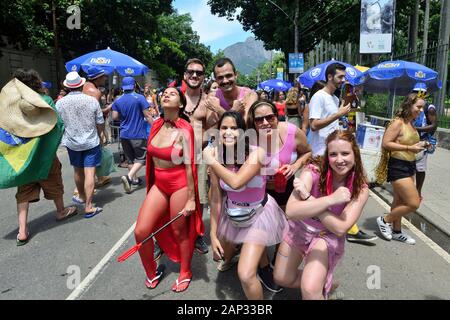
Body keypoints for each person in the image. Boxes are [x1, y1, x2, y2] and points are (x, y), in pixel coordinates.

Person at [274, 130, 369, 299]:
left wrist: (308, 198)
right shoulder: (314, 170)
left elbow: (340, 228)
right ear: (327, 155)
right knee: (281, 278)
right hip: (298, 229)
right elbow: (291, 211)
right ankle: (325, 284)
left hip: (325, 236)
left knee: (310, 290)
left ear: (355, 154)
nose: (339, 160)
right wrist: (330, 200)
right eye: (333, 154)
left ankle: (316, 287)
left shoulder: (359, 188)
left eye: (345, 153)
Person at [203, 111, 287, 300]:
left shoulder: (257, 153)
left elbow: (236, 182)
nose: (229, 132)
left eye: (234, 128)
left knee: (246, 274)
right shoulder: (219, 155)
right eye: (224, 128)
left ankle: (263, 271)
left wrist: (211, 161)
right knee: (223, 256)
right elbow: (216, 197)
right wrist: (213, 234)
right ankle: (259, 262)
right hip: (233, 214)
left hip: (259, 215)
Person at [134, 87, 203, 292]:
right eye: (164, 93)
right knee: (141, 231)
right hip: (160, 184)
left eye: (172, 94)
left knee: (179, 230)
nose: (166, 94)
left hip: (180, 183)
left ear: (181, 104)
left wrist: (191, 198)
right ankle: (151, 271)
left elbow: (190, 166)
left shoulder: (185, 129)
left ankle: (185, 271)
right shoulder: (156, 125)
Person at [247, 100, 311, 293]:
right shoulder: (248, 140)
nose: (266, 122)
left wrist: (294, 166)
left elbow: (307, 152)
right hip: (259, 191)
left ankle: (277, 258)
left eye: (270, 117)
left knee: (285, 228)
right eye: (259, 119)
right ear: (253, 122)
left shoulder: (292, 132)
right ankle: (264, 267)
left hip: (286, 190)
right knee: (259, 231)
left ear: (278, 116)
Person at [309, 65, 376, 243]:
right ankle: (322, 231)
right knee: (324, 193)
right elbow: (314, 125)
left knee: (338, 192)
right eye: (339, 77)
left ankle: (344, 228)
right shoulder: (319, 97)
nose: (343, 80)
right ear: (330, 76)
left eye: (343, 77)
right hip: (321, 154)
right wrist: (337, 114)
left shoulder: (332, 98)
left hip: (333, 153)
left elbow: (332, 124)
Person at [10, 69, 78, 245]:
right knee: (55, 184)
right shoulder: (46, 101)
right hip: (45, 156)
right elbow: (58, 126)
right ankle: (61, 211)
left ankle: (22, 231)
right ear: (36, 83)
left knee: (23, 193)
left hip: (23, 158)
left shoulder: (12, 106)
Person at [376, 93, 426, 245]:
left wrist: (422, 144)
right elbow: (385, 143)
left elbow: (410, 143)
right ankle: (384, 220)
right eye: (418, 106)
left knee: (399, 200)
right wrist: (408, 147)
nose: (421, 110)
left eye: (422, 107)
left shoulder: (411, 123)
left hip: (409, 165)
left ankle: (397, 232)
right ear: (409, 105)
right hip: (398, 166)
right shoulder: (398, 123)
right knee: (413, 203)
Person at [56, 71, 105, 218]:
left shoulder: (60, 103)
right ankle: (89, 206)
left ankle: (82, 197)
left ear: (68, 87)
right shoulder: (92, 101)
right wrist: (101, 135)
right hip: (91, 141)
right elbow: (100, 123)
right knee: (90, 172)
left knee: (78, 171)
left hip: (72, 142)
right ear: (81, 84)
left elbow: (59, 124)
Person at [181, 58, 210, 255]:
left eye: (198, 73)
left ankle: (197, 234)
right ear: (184, 75)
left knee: (198, 197)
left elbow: (213, 129)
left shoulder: (208, 101)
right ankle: (171, 234)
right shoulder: (174, 97)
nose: (194, 75)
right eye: (191, 72)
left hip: (199, 156)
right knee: (176, 196)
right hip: (176, 158)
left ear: (203, 77)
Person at [112, 77, 151, 194]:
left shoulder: (118, 100)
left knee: (130, 159)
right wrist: (155, 127)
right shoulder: (139, 98)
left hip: (124, 134)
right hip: (138, 134)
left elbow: (114, 117)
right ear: (134, 86)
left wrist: (125, 118)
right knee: (141, 158)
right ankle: (129, 177)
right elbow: (148, 116)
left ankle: (133, 180)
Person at [82, 66, 112, 188]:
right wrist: (109, 108)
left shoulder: (82, 87)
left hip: (80, 126)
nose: (105, 78)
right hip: (92, 128)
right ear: (98, 78)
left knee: (85, 158)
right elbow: (97, 114)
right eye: (103, 76)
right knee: (91, 160)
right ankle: (84, 188)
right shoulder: (95, 92)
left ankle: (100, 177)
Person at [204, 57, 258, 122]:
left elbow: (246, 125)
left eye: (228, 76)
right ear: (215, 79)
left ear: (236, 75)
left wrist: (219, 110)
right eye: (220, 77)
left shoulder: (250, 95)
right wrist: (234, 111)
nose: (225, 81)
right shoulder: (212, 97)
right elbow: (212, 130)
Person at [412, 83, 438, 201]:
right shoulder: (412, 105)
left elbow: (434, 125)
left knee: (420, 168)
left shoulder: (429, 108)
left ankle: (418, 192)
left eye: (420, 92)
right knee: (409, 166)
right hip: (410, 140)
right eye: (415, 92)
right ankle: (409, 191)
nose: (418, 94)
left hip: (423, 142)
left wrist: (417, 129)